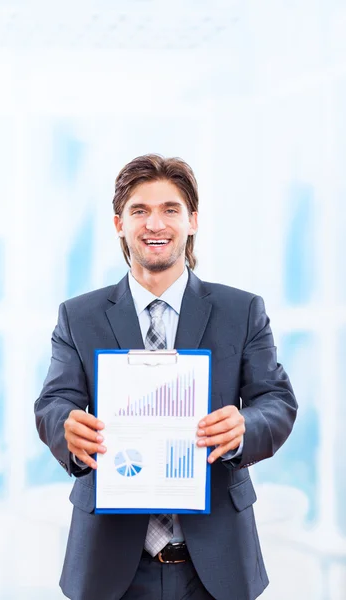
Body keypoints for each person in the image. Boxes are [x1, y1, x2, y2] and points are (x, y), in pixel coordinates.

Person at [34, 154, 298, 600]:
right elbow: (53, 402)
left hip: (217, 562)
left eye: (170, 209)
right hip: (110, 562)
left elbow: (276, 401)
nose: (155, 223)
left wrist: (244, 427)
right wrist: (66, 426)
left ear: (192, 220)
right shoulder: (78, 316)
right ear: (119, 223)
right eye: (140, 210)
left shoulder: (241, 311)